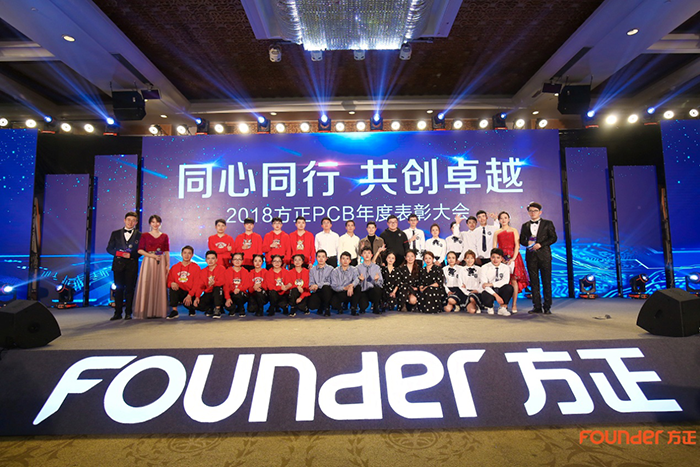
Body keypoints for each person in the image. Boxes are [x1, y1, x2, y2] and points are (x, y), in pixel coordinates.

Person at [519, 202, 558, 315]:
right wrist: (528, 243)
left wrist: (541, 244)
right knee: (534, 282)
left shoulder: (548, 223)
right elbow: (522, 240)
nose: (533, 213)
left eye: (535, 211)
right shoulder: (525, 225)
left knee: (546, 281)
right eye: (530, 211)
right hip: (531, 257)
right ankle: (536, 306)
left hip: (544, 256)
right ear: (528, 213)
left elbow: (553, 238)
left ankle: (547, 306)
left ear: (540, 212)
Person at [133, 214, 170, 319]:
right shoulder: (145, 235)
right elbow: (140, 250)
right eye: (153, 222)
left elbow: (166, 251)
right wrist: (151, 256)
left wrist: (167, 264)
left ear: (160, 223)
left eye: (157, 222)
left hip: (161, 261)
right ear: (150, 223)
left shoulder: (164, 236)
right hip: (148, 261)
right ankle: (145, 311)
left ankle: (158, 311)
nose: (155, 224)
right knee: (147, 283)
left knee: (160, 284)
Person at [107, 211, 141, 320]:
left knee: (130, 289)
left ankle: (128, 313)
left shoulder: (140, 235)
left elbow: (141, 251)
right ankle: (117, 313)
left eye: (133, 220)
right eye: (128, 220)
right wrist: (119, 253)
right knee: (118, 289)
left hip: (132, 265)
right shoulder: (115, 233)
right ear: (124, 220)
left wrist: (131, 255)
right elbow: (109, 248)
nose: (130, 222)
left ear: (136, 222)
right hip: (118, 265)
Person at [494, 211, 529, 314]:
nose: (503, 220)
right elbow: (494, 247)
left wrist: (513, 258)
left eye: (505, 218)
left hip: (513, 257)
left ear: (509, 219)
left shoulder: (514, 230)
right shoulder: (497, 232)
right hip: (501, 258)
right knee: (502, 281)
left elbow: (517, 245)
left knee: (514, 280)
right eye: (501, 218)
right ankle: (503, 305)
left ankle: (514, 304)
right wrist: (499, 258)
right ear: (499, 220)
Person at [166, 245, 198, 319]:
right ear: (181, 254)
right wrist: (171, 283)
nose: (186, 255)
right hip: (179, 291)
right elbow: (169, 282)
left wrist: (190, 295)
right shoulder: (174, 267)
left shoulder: (196, 267)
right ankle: (174, 311)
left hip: (190, 293)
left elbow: (197, 284)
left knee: (195, 304)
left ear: (192, 255)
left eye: (189, 253)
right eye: (185, 253)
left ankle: (191, 309)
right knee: (173, 287)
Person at [479, 248, 513, 316]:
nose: (495, 260)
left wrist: (491, 284)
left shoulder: (505, 267)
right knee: (485, 293)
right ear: (490, 258)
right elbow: (484, 285)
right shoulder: (484, 267)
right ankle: (490, 307)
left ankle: (503, 307)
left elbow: (505, 281)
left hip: (499, 288)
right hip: (489, 290)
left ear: (501, 259)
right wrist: (496, 296)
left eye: (498, 258)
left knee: (509, 288)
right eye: (493, 257)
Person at [193, 250, 226, 318]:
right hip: (209, 292)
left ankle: (217, 309)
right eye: (208, 258)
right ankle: (210, 308)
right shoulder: (203, 271)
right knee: (198, 305)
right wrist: (197, 297)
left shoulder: (221, 268)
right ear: (206, 260)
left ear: (216, 260)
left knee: (217, 288)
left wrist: (215, 283)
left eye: (213, 258)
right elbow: (200, 286)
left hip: (220, 293)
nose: (210, 261)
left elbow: (223, 281)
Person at [330, 251, 360, 315]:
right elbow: (334, 286)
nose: (345, 261)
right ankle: (339, 308)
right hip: (340, 292)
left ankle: (353, 308)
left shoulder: (354, 269)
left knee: (358, 287)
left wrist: (351, 286)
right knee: (333, 300)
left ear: (350, 261)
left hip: (351, 292)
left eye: (347, 259)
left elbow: (357, 279)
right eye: (343, 258)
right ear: (340, 260)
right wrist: (344, 288)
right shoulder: (335, 271)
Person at [357, 247, 383, 314]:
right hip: (363, 291)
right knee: (363, 306)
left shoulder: (376, 267)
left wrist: (376, 280)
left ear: (372, 255)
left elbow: (381, 284)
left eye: (369, 253)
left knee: (377, 289)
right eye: (365, 253)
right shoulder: (358, 268)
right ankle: (362, 307)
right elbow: (355, 283)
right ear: (362, 255)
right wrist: (360, 281)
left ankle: (376, 307)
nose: (367, 255)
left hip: (372, 290)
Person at [224, 252, 251, 317]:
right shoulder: (228, 271)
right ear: (232, 261)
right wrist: (228, 298)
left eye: (239, 259)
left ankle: (241, 308)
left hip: (241, 294)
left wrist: (239, 289)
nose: (237, 261)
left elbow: (247, 285)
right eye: (235, 259)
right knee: (228, 306)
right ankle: (233, 309)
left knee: (239, 295)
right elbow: (226, 286)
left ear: (242, 261)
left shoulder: (245, 271)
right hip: (231, 294)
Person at [309, 249, 334, 316]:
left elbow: (330, 282)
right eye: (319, 256)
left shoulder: (331, 269)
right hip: (317, 291)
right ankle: (321, 306)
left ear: (326, 258)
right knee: (311, 305)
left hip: (327, 291)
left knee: (326, 287)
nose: (321, 259)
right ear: (316, 258)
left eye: (323, 257)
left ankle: (327, 308)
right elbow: (311, 282)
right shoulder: (312, 270)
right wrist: (312, 286)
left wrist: (318, 285)